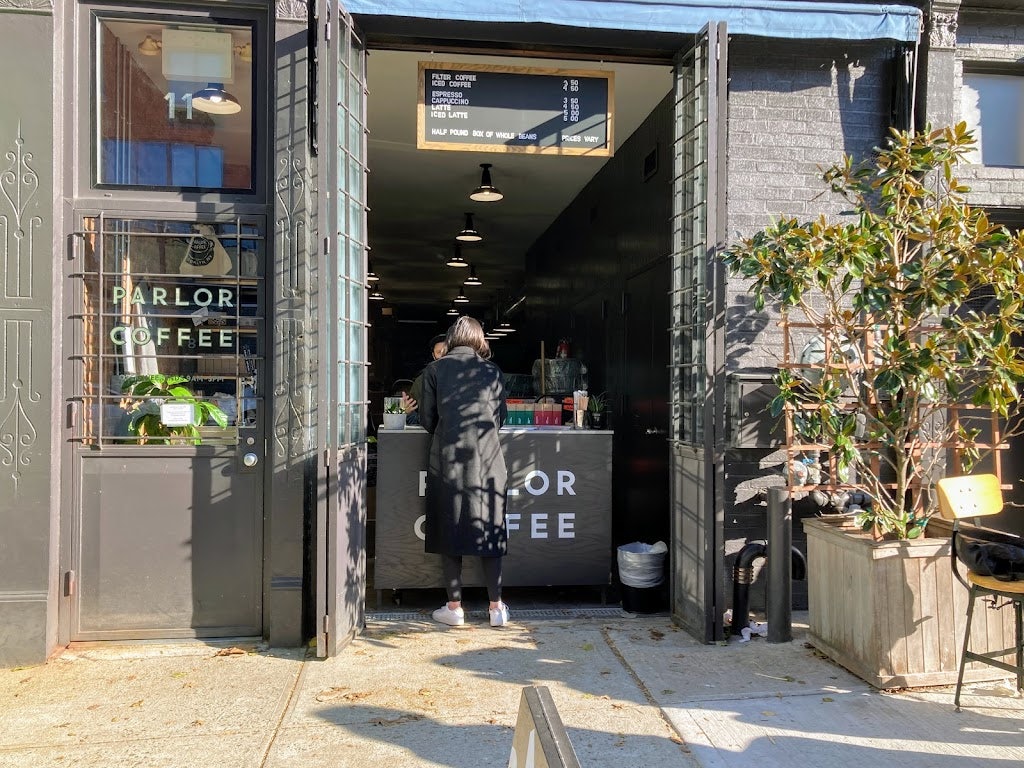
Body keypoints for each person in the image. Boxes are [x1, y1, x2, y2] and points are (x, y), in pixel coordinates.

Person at [419, 316, 510, 627]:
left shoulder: (434, 370)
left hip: (449, 461)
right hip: (489, 461)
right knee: (491, 529)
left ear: (452, 338)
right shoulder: (492, 371)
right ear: (479, 339)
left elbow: (427, 421)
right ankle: (496, 608)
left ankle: (454, 608)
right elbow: (500, 420)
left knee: (450, 530)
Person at [400, 333, 447, 424]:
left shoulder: (464, 377)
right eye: (439, 352)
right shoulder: (421, 381)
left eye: (446, 352)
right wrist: (407, 412)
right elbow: (414, 415)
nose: (443, 356)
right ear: (433, 356)